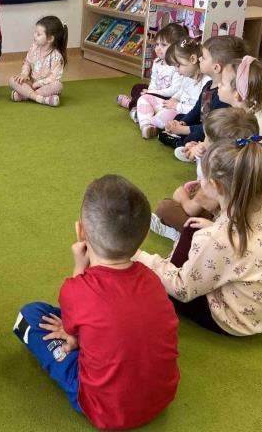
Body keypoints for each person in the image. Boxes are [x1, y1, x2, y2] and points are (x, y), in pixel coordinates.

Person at [13, 175, 179, 430]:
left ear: (81, 231)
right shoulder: (153, 279)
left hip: (104, 409)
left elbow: (71, 330)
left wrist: (79, 268)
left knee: (29, 315)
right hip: (162, 397)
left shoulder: (76, 289)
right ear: (145, 235)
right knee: (112, 320)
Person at [136, 138, 262, 336]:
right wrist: (212, 227)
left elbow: (182, 289)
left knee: (167, 278)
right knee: (193, 229)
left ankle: (162, 263)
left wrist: (141, 257)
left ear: (214, 185)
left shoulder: (215, 239)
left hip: (236, 320)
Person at [151, 107, 262, 241]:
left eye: (207, 138)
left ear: (218, 150)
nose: (203, 141)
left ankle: (186, 236)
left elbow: (190, 209)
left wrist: (180, 195)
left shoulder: (220, 179)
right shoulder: (254, 170)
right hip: (251, 230)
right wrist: (198, 153)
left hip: (229, 235)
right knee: (195, 191)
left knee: (165, 207)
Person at [159, 35, 247, 157]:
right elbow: (196, 110)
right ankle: (181, 138)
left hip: (208, 130)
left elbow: (213, 128)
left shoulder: (223, 96)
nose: (199, 58)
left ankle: (181, 144)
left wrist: (183, 130)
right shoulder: (208, 85)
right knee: (179, 117)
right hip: (200, 124)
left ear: (216, 67)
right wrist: (183, 122)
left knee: (197, 135)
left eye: (204, 57)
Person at [218, 55, 262, 192]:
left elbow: (235, 156)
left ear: (237, 95)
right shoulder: (251, 111)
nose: (218, 85)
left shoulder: (250, 123)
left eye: (222, 83)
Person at [136, 37, 208, 138]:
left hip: (183, 114)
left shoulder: (206, 82)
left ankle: (142, 117)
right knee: (144, 98)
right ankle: (146, 125)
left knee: (167, 116)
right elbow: (180, 92)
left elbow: (197, 111)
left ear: (193, 59)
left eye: (178, 66)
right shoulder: (187, 76)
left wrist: (177, 106)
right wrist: (174, 99)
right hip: (173, 106)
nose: (176, 70)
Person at [116, 23, 187, 121]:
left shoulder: (177, 67)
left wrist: (151, 93)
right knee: (137, 88)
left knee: (147, 97)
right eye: (157, 44)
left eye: (163, 45)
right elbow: (153, 81)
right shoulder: (157, 62)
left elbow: (174, 90)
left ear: (176, 48)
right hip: (154, 93)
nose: (158, 48)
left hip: (167, 98)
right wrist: (149, 91)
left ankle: (132, 105)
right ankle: (140, 107)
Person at [8, 16, 68, 107]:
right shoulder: (34, 47)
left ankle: (25, 95)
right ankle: (42, 99)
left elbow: (53, 78)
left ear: (50, 39)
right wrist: (24, 74)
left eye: (38, 34)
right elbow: (27, 62)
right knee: (12, 80)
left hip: (45, 87)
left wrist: (38, 84)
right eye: (35, 32)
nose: (34, 35)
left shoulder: (56, 57)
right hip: (31, 83)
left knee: (58, 86)